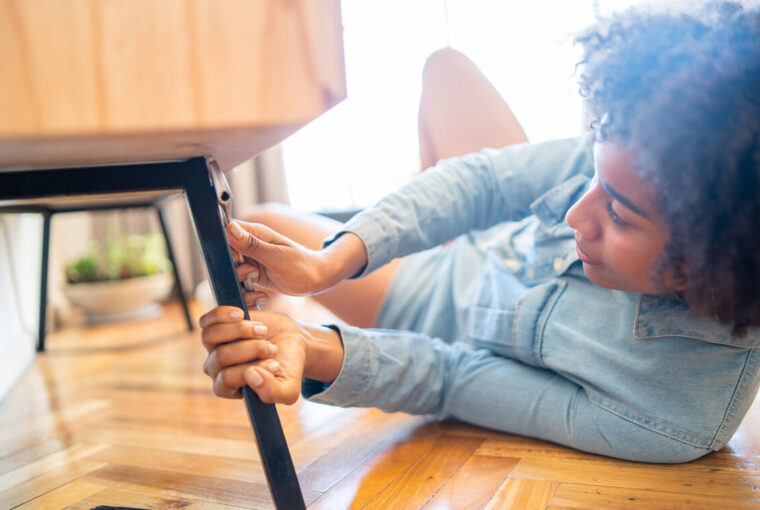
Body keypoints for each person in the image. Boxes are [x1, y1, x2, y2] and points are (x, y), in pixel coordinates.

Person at [199, 1, 760, 463]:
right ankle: (418, 229)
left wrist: (314, 346)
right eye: (592, 176)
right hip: (503, 234)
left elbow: (451, 377)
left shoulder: (665, 418)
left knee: (265, 222)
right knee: (446, 67)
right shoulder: (650, 142)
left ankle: (419, 239)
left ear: (710, 259)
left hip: (434, 295)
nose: (574, 217)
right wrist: (333, 262)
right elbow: (485, 178)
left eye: (616, 214)